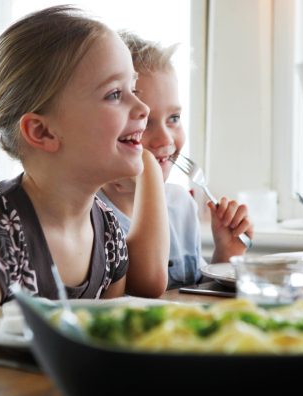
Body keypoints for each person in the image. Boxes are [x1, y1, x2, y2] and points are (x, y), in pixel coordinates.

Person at [0, 6, 151, 342]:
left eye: (134, 89)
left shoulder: (109, 232)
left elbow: (105, 346)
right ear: (42, 132)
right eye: (114, 94)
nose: (142, 108)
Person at [98, 32, 254, 297]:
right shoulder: (91, 216)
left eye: (174, 118)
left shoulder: (181, 205)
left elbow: (192, 298)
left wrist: (225, 255)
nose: (166, 139)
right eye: (145, 121)